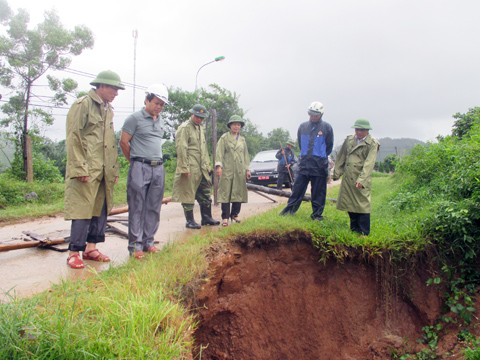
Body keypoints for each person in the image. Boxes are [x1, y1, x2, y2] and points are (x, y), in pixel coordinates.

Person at [64, 70, 124, 269]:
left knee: (101, 209)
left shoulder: (108, 109)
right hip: (87, 168)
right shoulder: (83, 105)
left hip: (104, 169)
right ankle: (74, 252)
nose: (116, 92)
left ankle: (91, 248)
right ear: (101, 86)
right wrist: (79, 167)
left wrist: (113, 170)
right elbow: (74, 137)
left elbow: (110, 142)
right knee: (82, 210)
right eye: (114, 88)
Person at [119, 84, 169, 259]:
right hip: (140, 166)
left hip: (158, 167)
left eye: (162, 104)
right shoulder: (134, 119)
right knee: (137, 206)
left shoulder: (160, 120)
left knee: (154, 207)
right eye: (156, 103)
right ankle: (135, 246)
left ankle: (148, 242)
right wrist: (134, 161)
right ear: (147, 100)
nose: (159, 107)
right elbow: (124, 142)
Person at [279, 101, 334, 221]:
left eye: (316, 114)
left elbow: (329, 147)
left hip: (319, 165)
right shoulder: (303, 127)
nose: (313, 116)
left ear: (321, 114)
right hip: (303, 164)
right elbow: (300, 144)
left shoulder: (327, 128)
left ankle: (317, 215)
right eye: (311, 114)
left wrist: (320, 156)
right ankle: (289, 212)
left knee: (318, 192)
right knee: (297, 190)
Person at [172, 104, 220, 229]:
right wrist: (184, 167)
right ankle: (190, 221)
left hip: (202, 168)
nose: (199, 119)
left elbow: (203, 149)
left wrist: (207, 165)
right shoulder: (185, 128)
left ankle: (206, 218)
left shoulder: (200, 128)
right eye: (197, 116)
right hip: (190, 167)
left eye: (202, 117)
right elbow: (181, 148)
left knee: (205, 192)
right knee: (188, 194)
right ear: (192, 114)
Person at [333, 118, 379, 235]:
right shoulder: (349, 140)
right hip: (348, 178)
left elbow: (369, 163)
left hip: (361, 178)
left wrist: (362, 180)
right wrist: (337, 172)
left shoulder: (372, 144)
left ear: (367, 130)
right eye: (357, 129)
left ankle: (364, 232)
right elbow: (341, 156)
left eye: (362, 130)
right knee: (349, 203)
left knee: (362, 205)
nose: (359, 132)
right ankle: (354, 230)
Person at [215, 115, 251, 226]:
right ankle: (225, 217)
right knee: (225, 193)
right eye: (234, 124)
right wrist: (219, 166)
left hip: (239, 170)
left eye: (238, 125)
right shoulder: (224, 138)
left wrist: (247, 169)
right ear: (230, 125)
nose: (236, 127)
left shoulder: (242, 139)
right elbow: (219, 153)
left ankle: (234, 214)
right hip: (227, 169)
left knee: (238, 192)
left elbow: (245, 155)